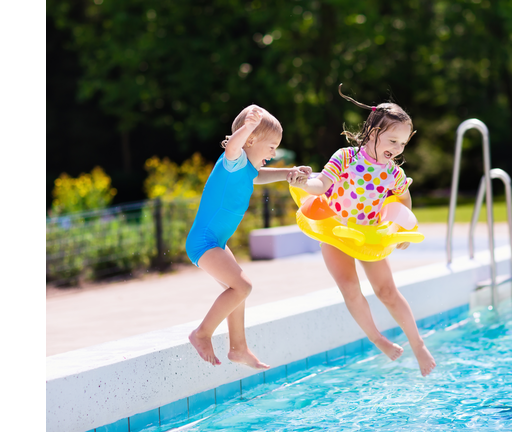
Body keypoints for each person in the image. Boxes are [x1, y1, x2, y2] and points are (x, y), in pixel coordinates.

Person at [292, 84, 437, 377]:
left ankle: (418, 344)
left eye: (402, 145)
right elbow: (322, 185)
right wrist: (304, 184)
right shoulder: (345, 158)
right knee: (350, 289)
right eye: (393, 141)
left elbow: (402, 198)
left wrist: (402, 227)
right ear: (373, 134)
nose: (396, 150)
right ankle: (378, 338)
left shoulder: (394, 172)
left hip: (369, 236)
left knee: (387, 291)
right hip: (335, 231)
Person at [186, 104, 311, 367]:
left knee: (237, 291)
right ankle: (201, 334)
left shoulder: (246, 169)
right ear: (251, 139)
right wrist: (248, 127)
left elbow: (259, 175)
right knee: (243, 287)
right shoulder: (233, 161)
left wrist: (289, 174)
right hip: (204, 242)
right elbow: (233, 147)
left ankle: (238, 348)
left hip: (216, 242)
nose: (274, 153)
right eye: (272, 146)